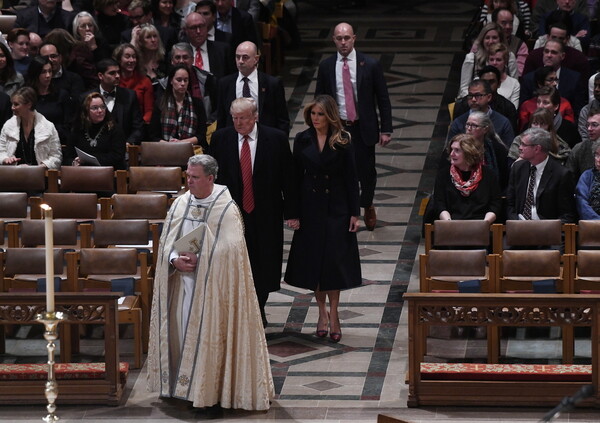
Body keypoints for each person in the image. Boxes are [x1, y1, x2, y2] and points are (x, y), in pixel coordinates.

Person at [146, 153, 274, 410]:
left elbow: (232, 250)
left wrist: (202, 258)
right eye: (187, 176)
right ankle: (180, 388)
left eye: (194, 177)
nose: (189, 182)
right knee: (181, 337)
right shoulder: (181, 204)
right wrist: (174, 260)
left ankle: (208, 394)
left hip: (215, 293)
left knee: (209, 340)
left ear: (210, 178)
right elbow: (166, 244)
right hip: (182, 287)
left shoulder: (225, 208)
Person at [210, 97, 298, 326]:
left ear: (255, 116)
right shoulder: (221, 139)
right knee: (237, 262)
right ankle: (244, 311)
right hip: (232, 213)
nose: (239, 123)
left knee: (264, 263)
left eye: (243, 118)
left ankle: (259, 308)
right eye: (235, 118)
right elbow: (213, 179)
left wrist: (292, 212)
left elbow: (288, 177)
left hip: (266, 212)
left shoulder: (275, 139)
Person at [284, 95, 361, 343]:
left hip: (336, 208)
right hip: (310, 207)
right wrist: (292, 213)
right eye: (313, 114)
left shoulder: (343, 139)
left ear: (329, 116)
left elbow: (351, 177)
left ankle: (335, 314)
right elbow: (293, 178)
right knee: (315, 263)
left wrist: (354, 213)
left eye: (320, 114)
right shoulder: (302, 139)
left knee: (334, 263)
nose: (316, 119)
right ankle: (321, 314)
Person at [315, 22, 392, 231]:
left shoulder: (371, 64)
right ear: (334, 40)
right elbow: (319, 98)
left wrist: (386, 129)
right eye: (339, 38)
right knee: (339, 170)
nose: (343, 42)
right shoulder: (327, 66)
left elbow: (382, 98)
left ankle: (366, 204)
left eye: (346, 38)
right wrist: (320, 127)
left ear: (354, 38)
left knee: (366, 172)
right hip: (338, 127)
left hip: (363, 126)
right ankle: (347, 211)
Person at [216, 41, 289, 134]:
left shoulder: (272, 84)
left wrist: (280, 142)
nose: (240, 61)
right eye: (237, 57)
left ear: (256, 59)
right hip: (234, 139)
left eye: (245, 57)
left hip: (265, 138)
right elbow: (221, 118)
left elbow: (282, 119)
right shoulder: (225, 84)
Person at [506, 127, 576, 222]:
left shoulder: (561, 174)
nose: (520, 147)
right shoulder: (517, 168)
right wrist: (516, 223)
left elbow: (567, 214)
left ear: (537, 149)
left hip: (547, 230)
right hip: (519, 227)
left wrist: (547, 229)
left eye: (523, 144)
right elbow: (510, 204)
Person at [434, 133, 501, 222]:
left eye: (457, 150)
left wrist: (485, 223)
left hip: (481, 224)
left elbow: (495, 203)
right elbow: (439, 203)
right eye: (451, 149)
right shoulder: (443, 175)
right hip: (452, 224)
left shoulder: (489, 175)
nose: (452, 154)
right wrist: (449, 223)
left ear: (469, 153)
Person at [82, 58, 144, 145]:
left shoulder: (130, 96)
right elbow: (81, 127)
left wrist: (129, 143)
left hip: (124, 149)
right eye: (112, 73)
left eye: (118, 72)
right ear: (100, 76)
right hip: (96, 148)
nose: (117, 76)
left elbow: (138, 126)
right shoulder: (86, 97)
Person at [0, 87, 62, 168]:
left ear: (29, 105)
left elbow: (56, 157)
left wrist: (40, 167)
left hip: (40, 176)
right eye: (12, 104)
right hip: (14, 176)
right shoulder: (8, 126)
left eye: (16, 104)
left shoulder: (48, 127)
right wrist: (5, 159)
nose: (12, 107)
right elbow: (1, 151)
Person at [520, 39, 586, 115]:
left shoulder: (574, 79)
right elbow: (523, 111)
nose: (549, 55)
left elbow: (578, 111)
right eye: (546, 51)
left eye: (554, 52)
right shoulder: (529, 78)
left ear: (563, 56)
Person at [148, 64, 207, 149]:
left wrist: (181, 143)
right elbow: (153, 136)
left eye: (186, 80)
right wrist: (170, 145)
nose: (182, 84)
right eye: (179, 80)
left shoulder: (197, 103)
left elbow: (201, 135)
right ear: (171, 81)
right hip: (165, 149)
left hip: (191, 149)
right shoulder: (160, 103)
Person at [448, 79, 514, 149]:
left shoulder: (503, 122)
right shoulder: (458, 122)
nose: (473, 99)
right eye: (470, 95)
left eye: (478, 95)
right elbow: (450, 150)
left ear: (489, 97)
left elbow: (509, 153)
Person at [66, 92, 126, 169]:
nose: (100, 110)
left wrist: (89, 160)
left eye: (103, 106)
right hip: (82, 173)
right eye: (95, 108)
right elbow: (68, 157)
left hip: (109, 173)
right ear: (86, 111)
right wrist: (74, 162)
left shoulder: (114, 129)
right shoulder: (77, 129)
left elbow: (117, 157)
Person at [159, 42, 217, 121]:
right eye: (177, 57)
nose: (181, 61)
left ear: (193, 59)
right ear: (172, 61)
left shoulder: (208, 80)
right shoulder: (163, 85)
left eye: (185, 57)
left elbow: (217, 109)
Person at [459, 22, 518, 97]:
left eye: (494, 38)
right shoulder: (471, 59)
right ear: (482, 40)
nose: (490, 41)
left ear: (500, 40)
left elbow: (514, 83)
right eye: (487, 38)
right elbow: (464, 89)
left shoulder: (509, 57)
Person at [24, 56, 73, 145]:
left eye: (50, 71)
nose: (48, 75)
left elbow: (69, 124)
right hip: (32, 143)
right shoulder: (27, 96)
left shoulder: (61, 95)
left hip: (58, 142)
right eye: (43, 72)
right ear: (35, 73)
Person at [454, 65, 518, 133]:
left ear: (499, 84)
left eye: (491, 82)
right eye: (484, 81)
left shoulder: (508, 107)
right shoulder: (463, 104)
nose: (487, 85)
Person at [518, 65, 575, 131]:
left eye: (556, 79)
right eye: (550, 80)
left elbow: (569, 129)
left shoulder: (565, 103)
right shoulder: (527, 105)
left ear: (556, 106)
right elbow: (523, 131)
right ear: (539, 83)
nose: (555, 83)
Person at [182, 12, 234, 81]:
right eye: (193, 28)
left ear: (206, 27)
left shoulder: (223, 50)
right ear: (186, 30)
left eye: (201, 26)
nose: (198, 31)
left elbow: (231, 78)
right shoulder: (180, 52)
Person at [113, 43, 153, 124]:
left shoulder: (145, 81)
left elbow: (149, 111)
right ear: (119, 59)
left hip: (140, 126)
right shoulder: (113, 81)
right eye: (127, 57)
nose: (131, 60)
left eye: (134, 57)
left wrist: (140, 127)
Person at [492, 6, 529, 76]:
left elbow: (519, 73)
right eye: (504, 23)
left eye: (511, 23)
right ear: (494, 23)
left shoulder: (520, 45)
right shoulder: (484, 41)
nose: (508, 26)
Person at [568, 107, 600, 181]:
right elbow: (569, 179)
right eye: (588, 125)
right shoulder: (579, 149)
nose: (589, 128)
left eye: (594, 125)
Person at [487, 42, 520, 108]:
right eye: (491, 59)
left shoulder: (514, 84)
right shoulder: (478, 81)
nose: (494, 63)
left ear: (505, 62)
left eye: (498, 60)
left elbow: (513, 110)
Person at [575, 140, 600, 219]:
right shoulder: (587, 176)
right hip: (592, 226)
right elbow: (582, 203)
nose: (598, 160)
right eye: (597, 155)